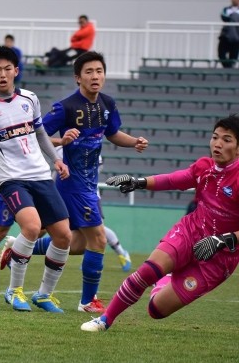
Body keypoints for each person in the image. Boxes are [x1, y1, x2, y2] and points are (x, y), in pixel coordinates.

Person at [82, 114, 239, 333]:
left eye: (227, 139)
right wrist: (139, 182)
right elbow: (174, 179)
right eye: (215, 137)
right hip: (191, 232)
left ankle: (165, 279)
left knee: (156, 310)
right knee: (148, 270)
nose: (218, 144)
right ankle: (104, 320)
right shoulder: (205, 167)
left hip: (220, 258)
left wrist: (225, 240)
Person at [30, 51, 148, 313]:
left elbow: (113, 133)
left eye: (99, 71)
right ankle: (87, 302)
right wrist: (62, 141)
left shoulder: (107, 104)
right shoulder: (66, 107)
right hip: (73, 183)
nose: (95, 76)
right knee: (98, 239)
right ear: (77, 78)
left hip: (88, 184)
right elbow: (37, 136)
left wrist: (134, 142)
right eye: (89, 72)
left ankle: (22, 248)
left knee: (77, 243)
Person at [0, 46, 71, 313]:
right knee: (31, 226)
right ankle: (14, 291)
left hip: (40, 175)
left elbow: (39, 133)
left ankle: (44, 295)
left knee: (63, 236)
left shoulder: (30, 99)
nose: (2, 74)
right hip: (11, 179)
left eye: (7, 69)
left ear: (16, 71)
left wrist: (56, 160)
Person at [218, 0, 239, 68]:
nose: (234, 0)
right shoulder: (226, 9)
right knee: (221, 54)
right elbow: (224, 17)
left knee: (233, 56)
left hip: (236, 37)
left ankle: (230, 68)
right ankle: (227, 67)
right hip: (225, 35)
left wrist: (233, 16)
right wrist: (233, 16)